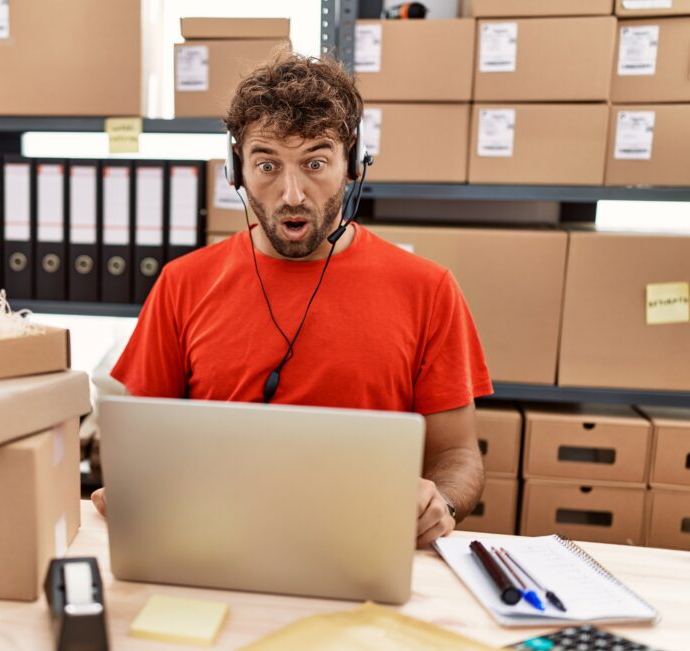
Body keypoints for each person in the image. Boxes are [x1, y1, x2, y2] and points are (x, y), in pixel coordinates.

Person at [92, 52, 492, 548]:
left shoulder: (428, 290)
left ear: (353, 163)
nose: (292, 194)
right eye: (266, 164)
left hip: (363, 549)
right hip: (212, 546)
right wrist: (136, 486)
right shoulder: (182, 284)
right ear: (236, 170)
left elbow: (457, 454)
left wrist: (442, 503)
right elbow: (138, 443)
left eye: (315, 163)